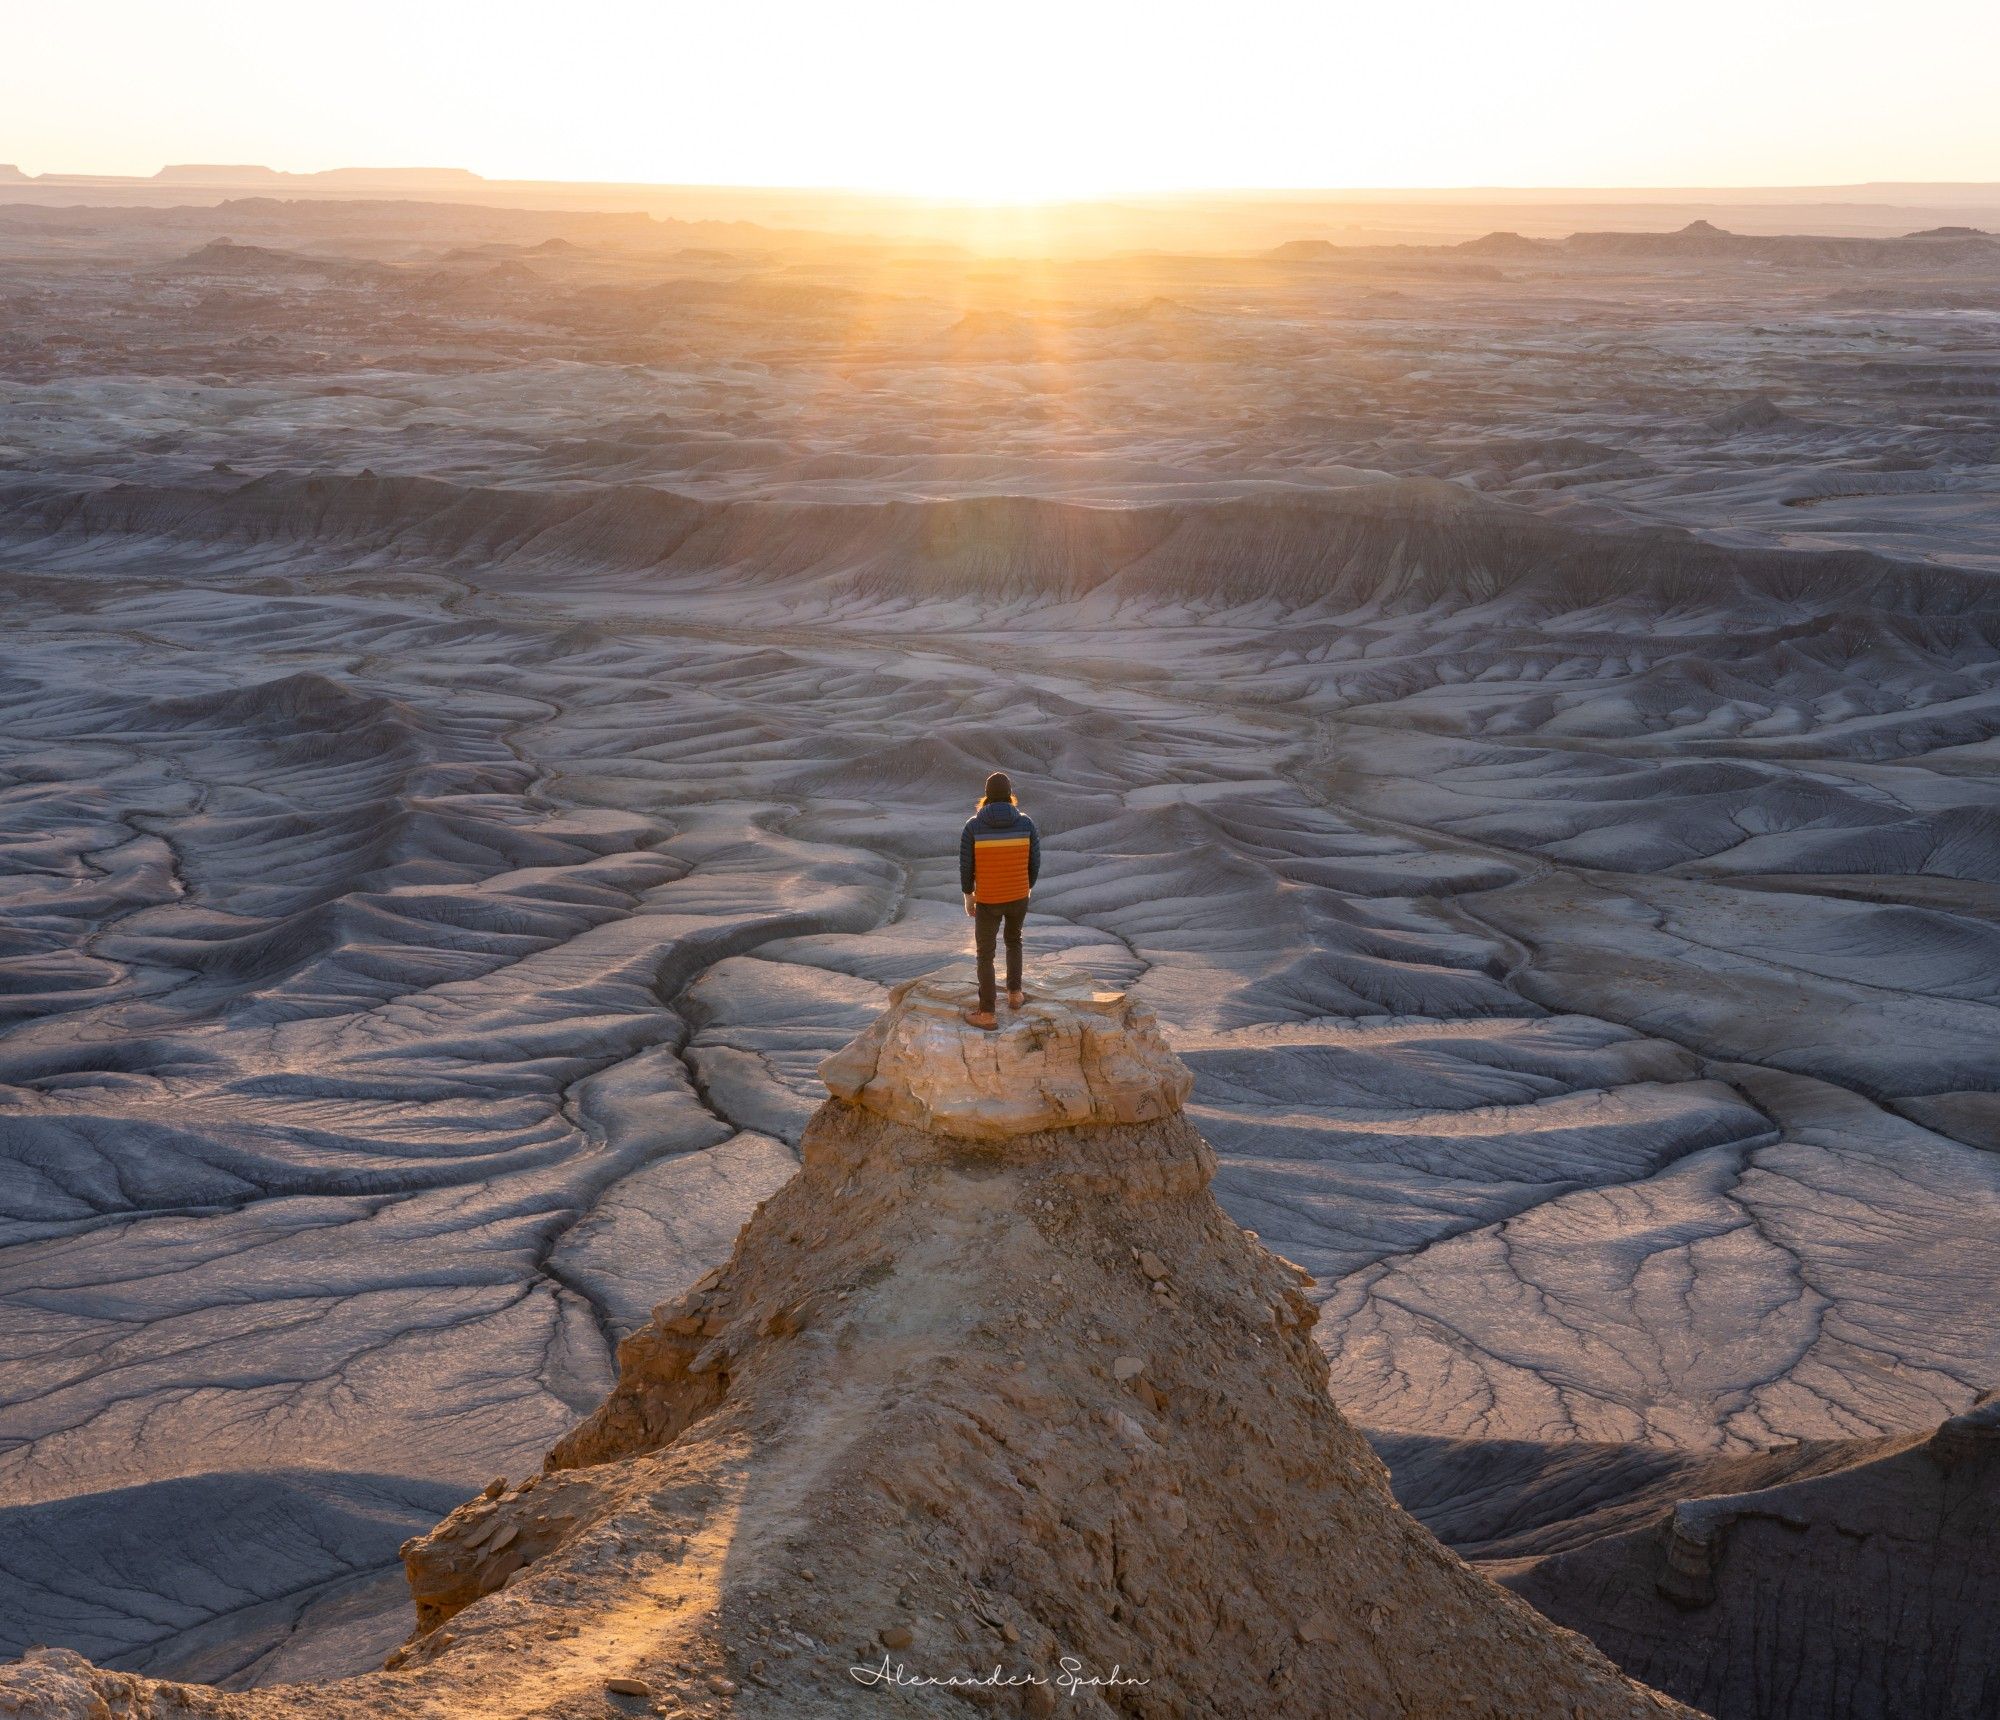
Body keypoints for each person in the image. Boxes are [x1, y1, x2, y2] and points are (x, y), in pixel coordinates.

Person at [958, 771, 1040, 1029]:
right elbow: (1034, 863)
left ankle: (987, 1013)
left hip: (989, 899)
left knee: (985, 954)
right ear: (1009, 796)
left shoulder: (973, 826)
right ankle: (1015, 994)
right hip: (1018, 895)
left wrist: (968, 896)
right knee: (1014, 941)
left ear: (986, 796)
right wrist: (1027, 887)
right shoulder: (1026, 824)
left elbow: (966, 866)